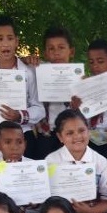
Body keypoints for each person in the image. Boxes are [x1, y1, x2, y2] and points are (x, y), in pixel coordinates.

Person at [0, 15, 45, 162]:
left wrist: (19, 115)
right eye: (0, 39)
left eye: (10, 38)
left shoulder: (28, 72)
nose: (5, 44)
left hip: (22, 134)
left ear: (16, 41)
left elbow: (39, 108)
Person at [45, 109, 107, 213]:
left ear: (88, 131)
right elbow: (46, 199)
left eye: (81, 130)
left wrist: (89, 211)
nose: (77, 136)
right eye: (69, 133)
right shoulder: (51, 160)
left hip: (92, 212)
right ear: (60, 137)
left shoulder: (100, 161)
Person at [34, 26, 77, 157]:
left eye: (61, 47)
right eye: (51, 48)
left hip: (72, 135)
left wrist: (78, 106)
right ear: (45, 53)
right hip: (45, 134)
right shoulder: (37, 72)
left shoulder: (79, 77)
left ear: (71, 51)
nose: (56, 52)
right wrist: (26, 59)